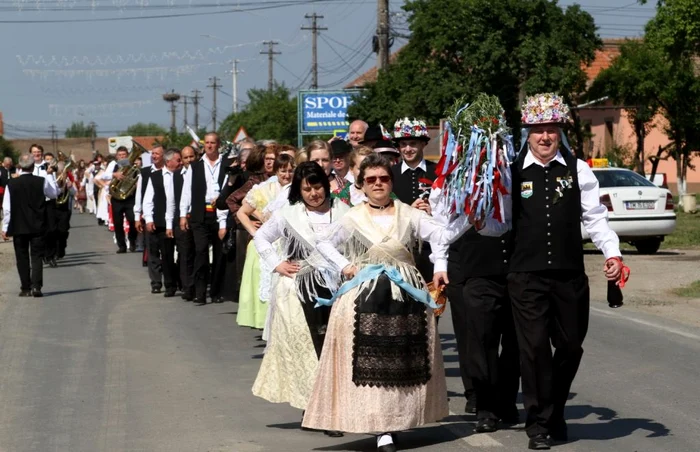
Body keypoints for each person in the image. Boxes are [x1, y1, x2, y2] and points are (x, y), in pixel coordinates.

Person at [302, 154, 470, 451]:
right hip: (365, 292)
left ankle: (396, 421)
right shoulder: (352, 216)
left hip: (405, 293)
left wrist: (470, 216)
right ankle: (380, 427)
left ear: (391, 182)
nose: (378, 184)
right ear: (362, 186)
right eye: (371, 180)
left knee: (402, 359)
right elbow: (324, 243)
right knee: (370, 358)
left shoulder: (408, 213)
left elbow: (441, 235)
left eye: (383, 178)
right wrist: (345, 266)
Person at [508, 93, 625, 450]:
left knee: (571, 346)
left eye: (551, 130)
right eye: (538, 130)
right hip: (525, 277)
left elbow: (595, 218)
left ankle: (555, 409)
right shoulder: (510, 172)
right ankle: (539, 424)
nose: (545, 137)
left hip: (569, 275)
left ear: (560, 131)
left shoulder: (578, 169)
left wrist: (613, 253)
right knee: (535, 350)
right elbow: (496, 223)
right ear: (528, 132)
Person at [252, 162, 349, 435]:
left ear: (325, 185)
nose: (313, 194)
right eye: (306, 189)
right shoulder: (288, 214)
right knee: (310, 350)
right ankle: (319, 409)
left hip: (337, 286)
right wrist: (277, 264)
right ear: (299, 190)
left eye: (317, 186)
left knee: (335, 348)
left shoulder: (344, 212)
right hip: (299, 290)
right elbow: (261, 237)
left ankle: (334, 405)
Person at [235, 153, 294, 329]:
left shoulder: (298, 188)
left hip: (286, 244)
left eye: (291, 170)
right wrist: (254, 232)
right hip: (265, 244)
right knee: (263, 285)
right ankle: (264, 323)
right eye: (283, 171)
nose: (287, 175)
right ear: (276, 171)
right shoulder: (264, 189)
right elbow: (241, 212)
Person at [179, 132, 233, 305]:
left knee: (219, 253)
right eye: (207, 143)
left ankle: (216, 291)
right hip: (199, 213)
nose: (209, 146)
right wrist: (183, 215)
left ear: (218, 145)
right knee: (201, 251)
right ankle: (200, 292)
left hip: (220, 213)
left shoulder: (227, 164)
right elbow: (186, 192)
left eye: (213, 143)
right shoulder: (194, 166)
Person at [2, 153, 59, 297]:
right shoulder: (41, 181)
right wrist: (50, 175)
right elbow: (53, 194)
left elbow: (7, 208)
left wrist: (5, 227)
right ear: (33, 166)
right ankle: (36, 287)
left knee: (22, 257)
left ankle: (25, 288)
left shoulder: (11, 183)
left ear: (19, 166)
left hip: (19, 225)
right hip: (37, 224)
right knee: (37, 256)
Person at [390, 118, 435, 282]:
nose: (408, 149)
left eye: (413, 143)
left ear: (423, 144)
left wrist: (433, 211)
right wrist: (409, 210)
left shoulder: (437, 171)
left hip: (432, 248)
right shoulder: (390, 174)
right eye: (403, 144)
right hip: (402, 248)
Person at [142, 149, 182, 297]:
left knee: (183, 254)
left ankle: (182, 282)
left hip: (180, 219)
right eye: (178, 160)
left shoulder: (183, 175)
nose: (181, 163)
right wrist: (149, 219)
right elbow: (148, 200)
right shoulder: (155, 177)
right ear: (168, 161)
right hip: (161, 221)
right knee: (166, 254)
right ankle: (169, 285)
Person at [135, 145, 165, 287]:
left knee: (166, 250)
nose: (154, 156)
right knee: (152, 249)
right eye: (152, 154)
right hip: (150, 216)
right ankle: (156, 282)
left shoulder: (171, 171)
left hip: (167, 216)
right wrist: (137, 217)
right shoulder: (145, 173)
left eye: (157, 154)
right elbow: (139, 195)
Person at [175, 146, 196, 301]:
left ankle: (198, 284)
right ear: (181, 160)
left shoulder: (200, 172)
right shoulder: (176, 176)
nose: (189, 160)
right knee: (185, 254)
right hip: (182, 219)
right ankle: (187, 287)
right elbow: (171, 200)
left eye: (191, 157)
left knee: (199, 253)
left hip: (198, 218)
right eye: (186, 158)